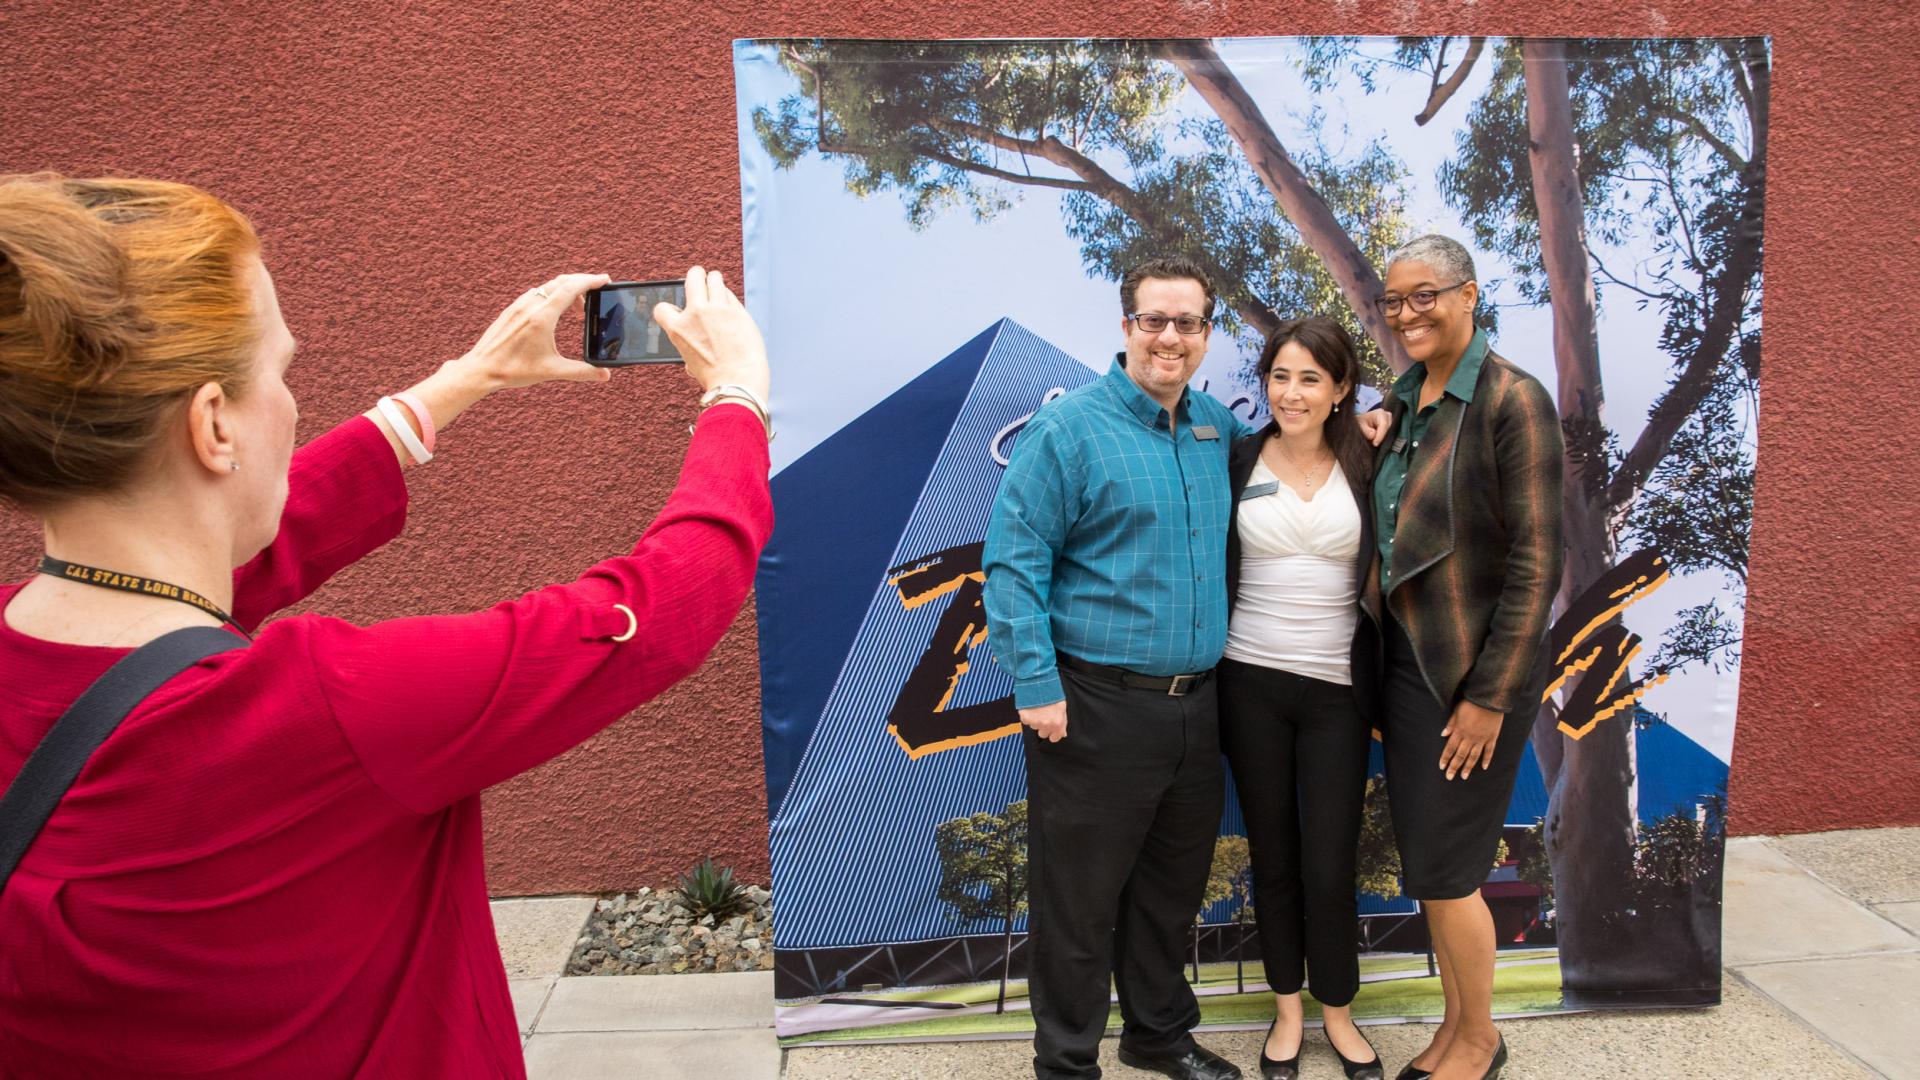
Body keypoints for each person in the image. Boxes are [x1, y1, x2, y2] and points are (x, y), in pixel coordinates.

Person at [0, 174, 774, 1078]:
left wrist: (460, 385)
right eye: (282, 373)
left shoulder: (58, 653)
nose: (291, 403)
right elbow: (654, 612)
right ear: (214, 424)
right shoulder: (329, 711)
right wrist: (736, 401)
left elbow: (226, 563)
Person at [984, 257, 1246, 1080]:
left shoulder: (1216, 430)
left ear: (1207, 333)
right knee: (1079, 904)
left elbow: (1301, 460)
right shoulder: (1068, 430)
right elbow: (1012, 563)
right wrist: (1037, 686)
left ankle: (1157, 1036)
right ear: (1126, 325)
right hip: (1093, 707)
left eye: (1188, 323)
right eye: (1154, 320)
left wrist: (1363, 431)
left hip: (1196, 709)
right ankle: (1066, 1063)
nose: (1170, 337)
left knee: (1170, 894)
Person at [1368, 235, 1562, 1080]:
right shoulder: (1406, 401)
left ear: (1468, 296)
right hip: (1409, 670)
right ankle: (1454, 1028)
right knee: (1431, 868)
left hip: (1476, 678)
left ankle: (1480, 1040)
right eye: (1394, 301)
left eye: (1425, 296)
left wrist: (1489, 696)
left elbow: (1538, 561)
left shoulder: (1513, 400)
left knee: (1449, 872)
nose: (1408, 314)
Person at [1218, 317, 1383, 1080]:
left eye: (1311, 377)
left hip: (1338, 694)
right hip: (1248, 683)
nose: (1291, 392)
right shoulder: (1236, 457)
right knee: (1275, 858)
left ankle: (1339, 1017)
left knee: (1329, 864)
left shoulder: (1369, 456)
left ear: (1343, 388)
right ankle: (1287, 1015)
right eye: (1280, 375)